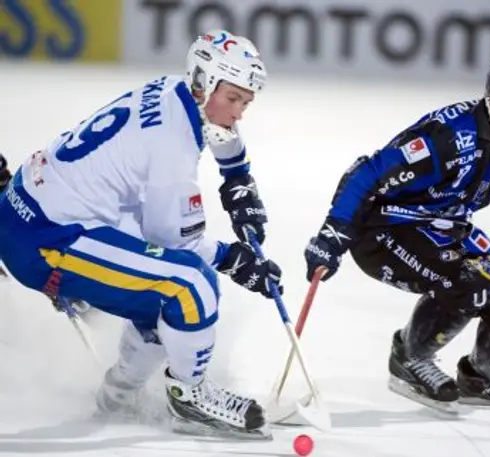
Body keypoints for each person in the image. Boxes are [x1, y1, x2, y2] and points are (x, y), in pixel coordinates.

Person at [0, 30, 281, 439]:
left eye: (246, 102)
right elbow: (178, 245)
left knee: (161, 295)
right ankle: (189, 395)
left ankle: (118, 396)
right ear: (203, 83)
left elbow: (219, 132)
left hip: (27, 205)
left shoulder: (173, 91)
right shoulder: (173, 147)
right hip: (47, 238)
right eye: (234, 98)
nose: (239, 113)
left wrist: (237, 175)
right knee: (190, 284)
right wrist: (234, 259)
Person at [304, 44, 490, 410]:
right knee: (475, 278)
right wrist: (334, 233)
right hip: (384, 230)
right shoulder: (449, 137)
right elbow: (365, 173)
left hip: (446, 227)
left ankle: (483, 377)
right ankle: (410, 357)